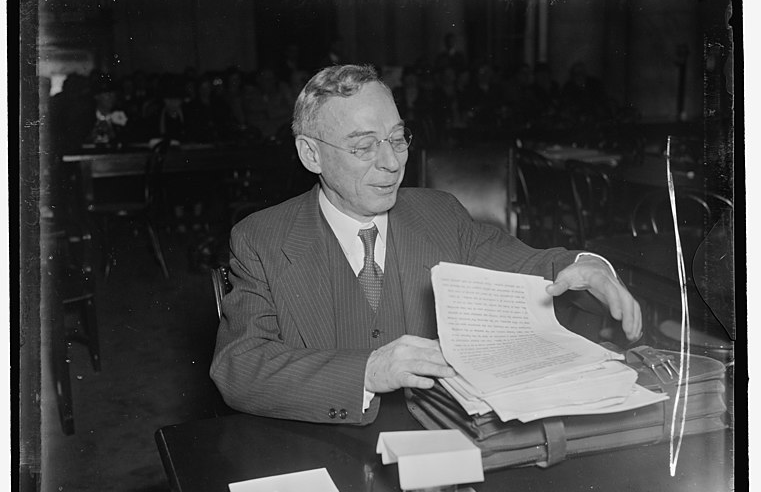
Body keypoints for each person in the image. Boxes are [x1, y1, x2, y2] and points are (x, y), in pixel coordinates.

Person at [211, 64, 642, 425]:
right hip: (323, 446)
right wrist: (367, 371)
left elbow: (527, 264)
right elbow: (239, 366)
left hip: (443, 438)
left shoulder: (438, 213)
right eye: (364, 147)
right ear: (311, 155)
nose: (392, 162)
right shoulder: (261, 239)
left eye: (398, 139)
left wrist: (586, 264)